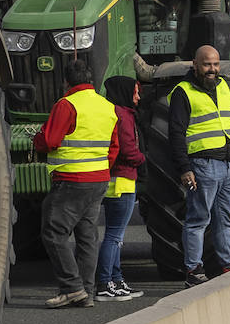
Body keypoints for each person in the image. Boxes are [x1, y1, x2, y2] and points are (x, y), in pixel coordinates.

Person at [34, 59, 119, 308]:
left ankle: (72, 288)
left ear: (66, 82)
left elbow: (49, 140)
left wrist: (37, 138)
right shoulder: (107, 106)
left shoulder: (66, 104)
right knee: (87, 237)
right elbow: (114, 148)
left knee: (53, 233)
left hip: (71, 179)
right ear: (90, 80)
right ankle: (86, 292)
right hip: (99, 179)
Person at [170, 45, 230, 288]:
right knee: (198, 219)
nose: (212, 69)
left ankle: (229, 265)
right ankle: (193, 270)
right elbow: (176, 133)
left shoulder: (223, 86)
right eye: (207, 64)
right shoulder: (183, 92)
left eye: (215, 64)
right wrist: (184, 167)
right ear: (195, 64)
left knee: (224, 218)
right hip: (203, 166)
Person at [95, 76, 146, 301]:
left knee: (115, 236)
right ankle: (105, 283)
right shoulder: (123, 116)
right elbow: (128, 150)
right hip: (123, 181)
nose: (138, 97)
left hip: (113, 181)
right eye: (135, 92)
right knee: (114, 236)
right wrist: (144, 159)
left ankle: (116, 280)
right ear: (125, 92)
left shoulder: (112, 112)